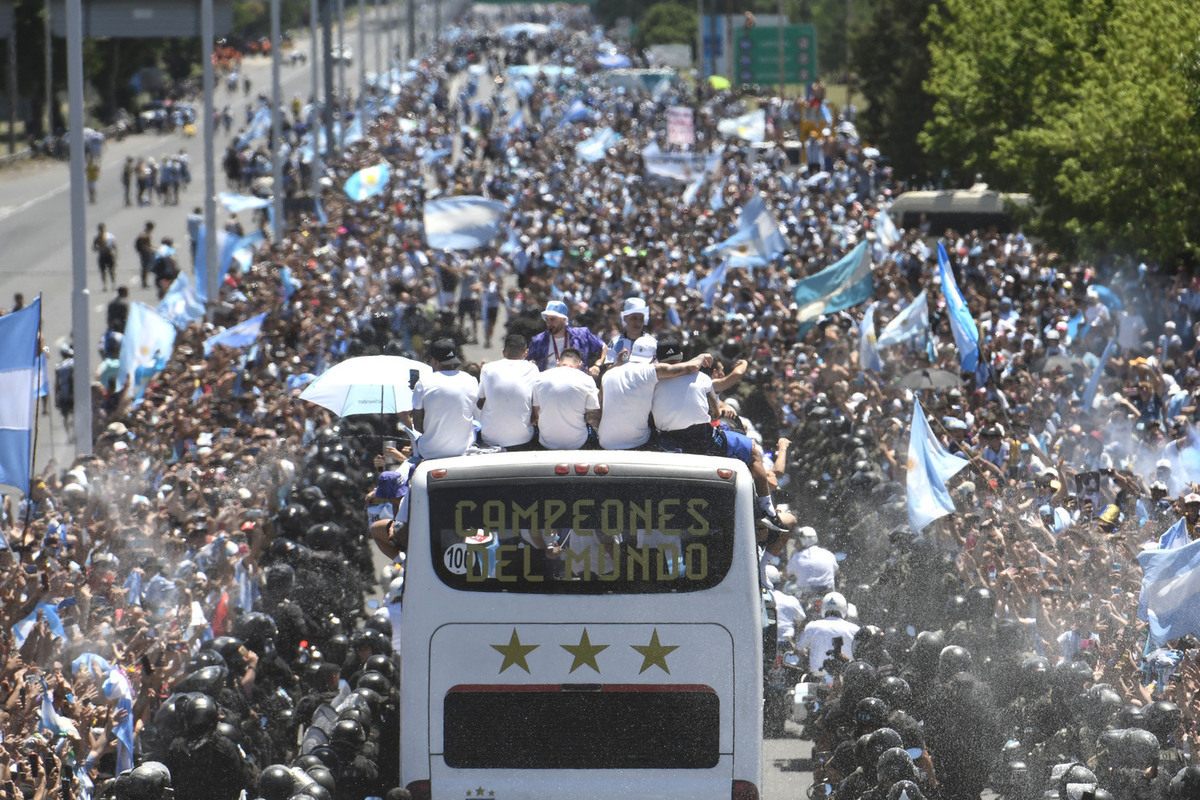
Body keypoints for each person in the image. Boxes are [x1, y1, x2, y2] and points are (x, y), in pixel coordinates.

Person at [651, 336, 784, 530]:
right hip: (704, 442)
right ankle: (768, 511)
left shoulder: (650, 382)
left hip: (668, 444)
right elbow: (714, 412)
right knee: (754, 452)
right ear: (681, 357)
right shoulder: (702, 378)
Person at [597, 334, 712, 450]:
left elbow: (599, 407)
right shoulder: (652, 371)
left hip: (605, 443)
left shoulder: (607, 375)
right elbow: (691, 367)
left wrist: (618, 363)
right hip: (637, 443)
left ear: (632, 353)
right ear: (654, 358)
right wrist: (702, 356)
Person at [402, 338, 478, 461]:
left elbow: (418, 427)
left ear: (435, 362)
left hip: (430, 453)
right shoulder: (471, 380)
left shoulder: (423, 383)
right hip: (464, 451)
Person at [476, 334, 539, 449]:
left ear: (504, 352)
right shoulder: (532, 368)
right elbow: (536, 407)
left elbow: (479, 403)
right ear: (526, 352)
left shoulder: (487, 368)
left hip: (490, 439)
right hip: (523, 439)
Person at [531, 348, 600, 449]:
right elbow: (591, 417)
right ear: (580, 364)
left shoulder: (539, 378)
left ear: (558, 361)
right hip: (578, 443)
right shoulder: (587, 380)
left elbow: (537, 414)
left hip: (546, 442)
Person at [526, 300, 605, 375]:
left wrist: (597, 365)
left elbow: (604, 347)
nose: (548, 323)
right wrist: (530, 364)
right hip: (548, 385)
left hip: (577, 383)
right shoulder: (538, 340)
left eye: (552, 319)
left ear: (564, 320)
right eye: (546, 319)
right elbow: (528, 362)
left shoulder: (581, 334)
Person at [795, 591, 860, 674]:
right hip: (844, 679)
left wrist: (805, 651)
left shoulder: (812, 627)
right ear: (844, 608)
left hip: (817, 679)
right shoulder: (855, 629)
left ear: (823, 607)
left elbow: (798, 649)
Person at [787, 525, 839, 595]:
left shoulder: (797, 557)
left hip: (805, 596)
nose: (796, 544)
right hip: (827, 595)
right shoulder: (829, 554)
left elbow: (786, 574)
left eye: (798, 541)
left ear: (806, 540)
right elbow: (835, 571)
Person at [605, 297, 654, 364]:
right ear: (625, 318)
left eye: (641, 319)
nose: (638, 323)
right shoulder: (615, 342)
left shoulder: (652, 343)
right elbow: (608, 369)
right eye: (634, 318)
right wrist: (618, 363)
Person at [92, 222, 117, 291]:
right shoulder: (97, 238)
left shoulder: (109, 237)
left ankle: (113, 284)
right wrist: (99, 248)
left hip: (110, 255)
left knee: (111, 271)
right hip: (102, 256)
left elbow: (114, 246)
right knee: (103, 271)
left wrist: (116, 254)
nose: (101, 230)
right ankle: (105, 285)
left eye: (102, 229)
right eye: (100, 229)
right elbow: (94, 248)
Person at [135, 221, 156, 289]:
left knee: (145, 267)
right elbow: (145, 246)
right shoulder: (145, 235)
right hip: (145, 253)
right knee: (145, 267)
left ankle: (144, 282)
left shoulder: (145, 234)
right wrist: (151, 250)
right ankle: (144, 282)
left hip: (145, 252)